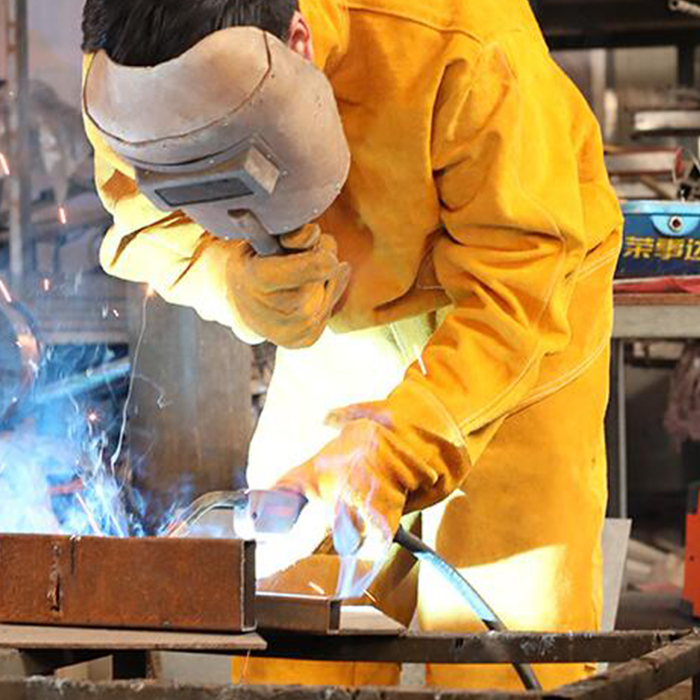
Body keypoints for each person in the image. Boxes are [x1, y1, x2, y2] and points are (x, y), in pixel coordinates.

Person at [81, 0, 623, 690]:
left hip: (515, 313)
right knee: (293, 622)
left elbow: (518, 277)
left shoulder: (467, 42)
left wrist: (404, 439)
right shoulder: (128, 47)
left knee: (499, 641)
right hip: (343, 326)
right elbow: (141, 215)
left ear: (298, 42)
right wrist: (228, 277)